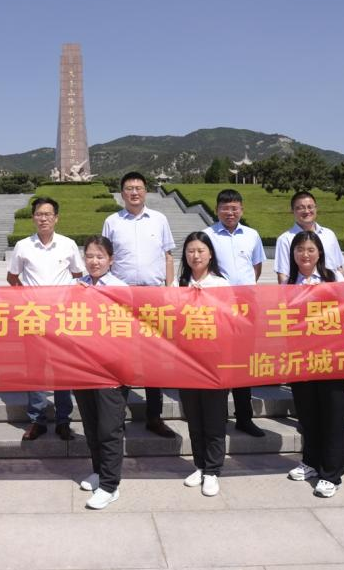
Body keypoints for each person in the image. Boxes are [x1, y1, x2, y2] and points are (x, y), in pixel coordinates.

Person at [101, 172, 175, 438]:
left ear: (146, 191)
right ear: (122, 193)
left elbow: (168, 256)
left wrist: (169, 290)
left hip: (153, 297)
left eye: (139, 188)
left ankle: (154, 416)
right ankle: (117, 417)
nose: (134, 192)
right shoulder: (112, 222)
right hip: (122, 298)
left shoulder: (159, 219)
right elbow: (105, 258)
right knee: (121, 357)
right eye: (129, 188)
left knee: (153, 358)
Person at [8, 196, 84, 441]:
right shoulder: (23, 246)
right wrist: (26, 297)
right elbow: (12, 277)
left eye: (48, 214)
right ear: (33, 218)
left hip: (62, 316)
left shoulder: (68, 245)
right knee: (36, 368)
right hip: (34, 315)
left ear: (56, 218)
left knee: (63, 368)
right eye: (39, 214)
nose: (43, 218)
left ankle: (63, 420)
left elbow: (78, 275)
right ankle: (37, 420)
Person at [284, 230, 344, 499]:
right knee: (307, 414)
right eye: (300, 250)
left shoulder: (334, 279)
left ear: (319, 252)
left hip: (332, 358)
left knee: (333, 415)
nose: (305, 254)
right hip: (302, 359)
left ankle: (331, 474)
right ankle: (310, 461)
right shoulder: (289, 283)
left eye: (310, 249)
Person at [201, 188, 266, 438]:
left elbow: (256, 267)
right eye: (225, 208)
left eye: (234, 208)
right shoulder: (207, 236)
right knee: (218, 361)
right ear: (217, 210)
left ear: (241, 209)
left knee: (243, 363)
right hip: (217, 308)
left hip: (246, 307)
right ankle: (217, 415)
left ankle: (244, 417)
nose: (230, 212)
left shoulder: (252, 235)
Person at [73, 235, 131, 510]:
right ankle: (98, 470)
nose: (94, 261)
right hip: (83, 367)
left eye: (100, 256)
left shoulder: (121, 288)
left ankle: (110, 485)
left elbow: (129, 330)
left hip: (111, 368)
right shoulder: (76, 287)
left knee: (109, 427)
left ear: (111, 260)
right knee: (91, 424)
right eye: (89, 256)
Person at [177, 232, 230, 497]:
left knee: (214, 418)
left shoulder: (221, 284)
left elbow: (231, 322)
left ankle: (213, 470)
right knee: (194, 417)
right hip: (187, 362)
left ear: (210, 254)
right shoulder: (178, 285)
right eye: (190, 251)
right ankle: (200, 464)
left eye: (200, 250)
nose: (195, 256)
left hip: (214, 363)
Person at [275, 190, 344, 284]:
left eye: (310, 207)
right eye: (300, 208)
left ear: (316, 208)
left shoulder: (329, 234)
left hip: (331, 288)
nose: (306, 211)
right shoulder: (285, 239)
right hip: (299, 288)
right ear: (292, 210)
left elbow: (339, 267)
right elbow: (283, 274)